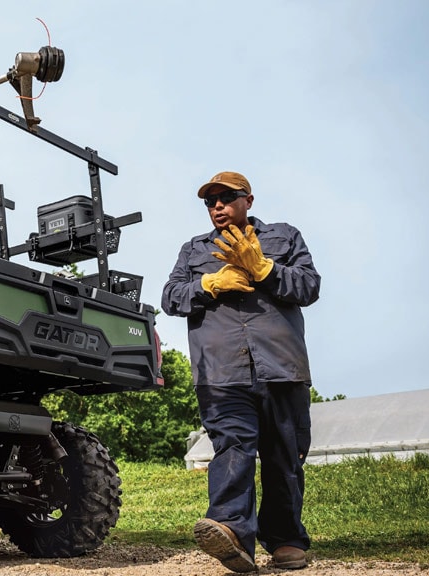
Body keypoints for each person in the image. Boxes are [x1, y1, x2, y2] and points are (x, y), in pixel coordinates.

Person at [161, 171, 321, 572]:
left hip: (281, 367)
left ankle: (285, 540)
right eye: (210, 201)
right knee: (232, 448)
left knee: (284, 456)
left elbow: (309, 287)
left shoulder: (284, 237)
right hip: (220, 370)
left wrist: (265, 269)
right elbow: (170, 298)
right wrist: (209, 283)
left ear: (248, 200)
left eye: (227, 197)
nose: (218, 206)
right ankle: (232, 535)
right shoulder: (193, 249)